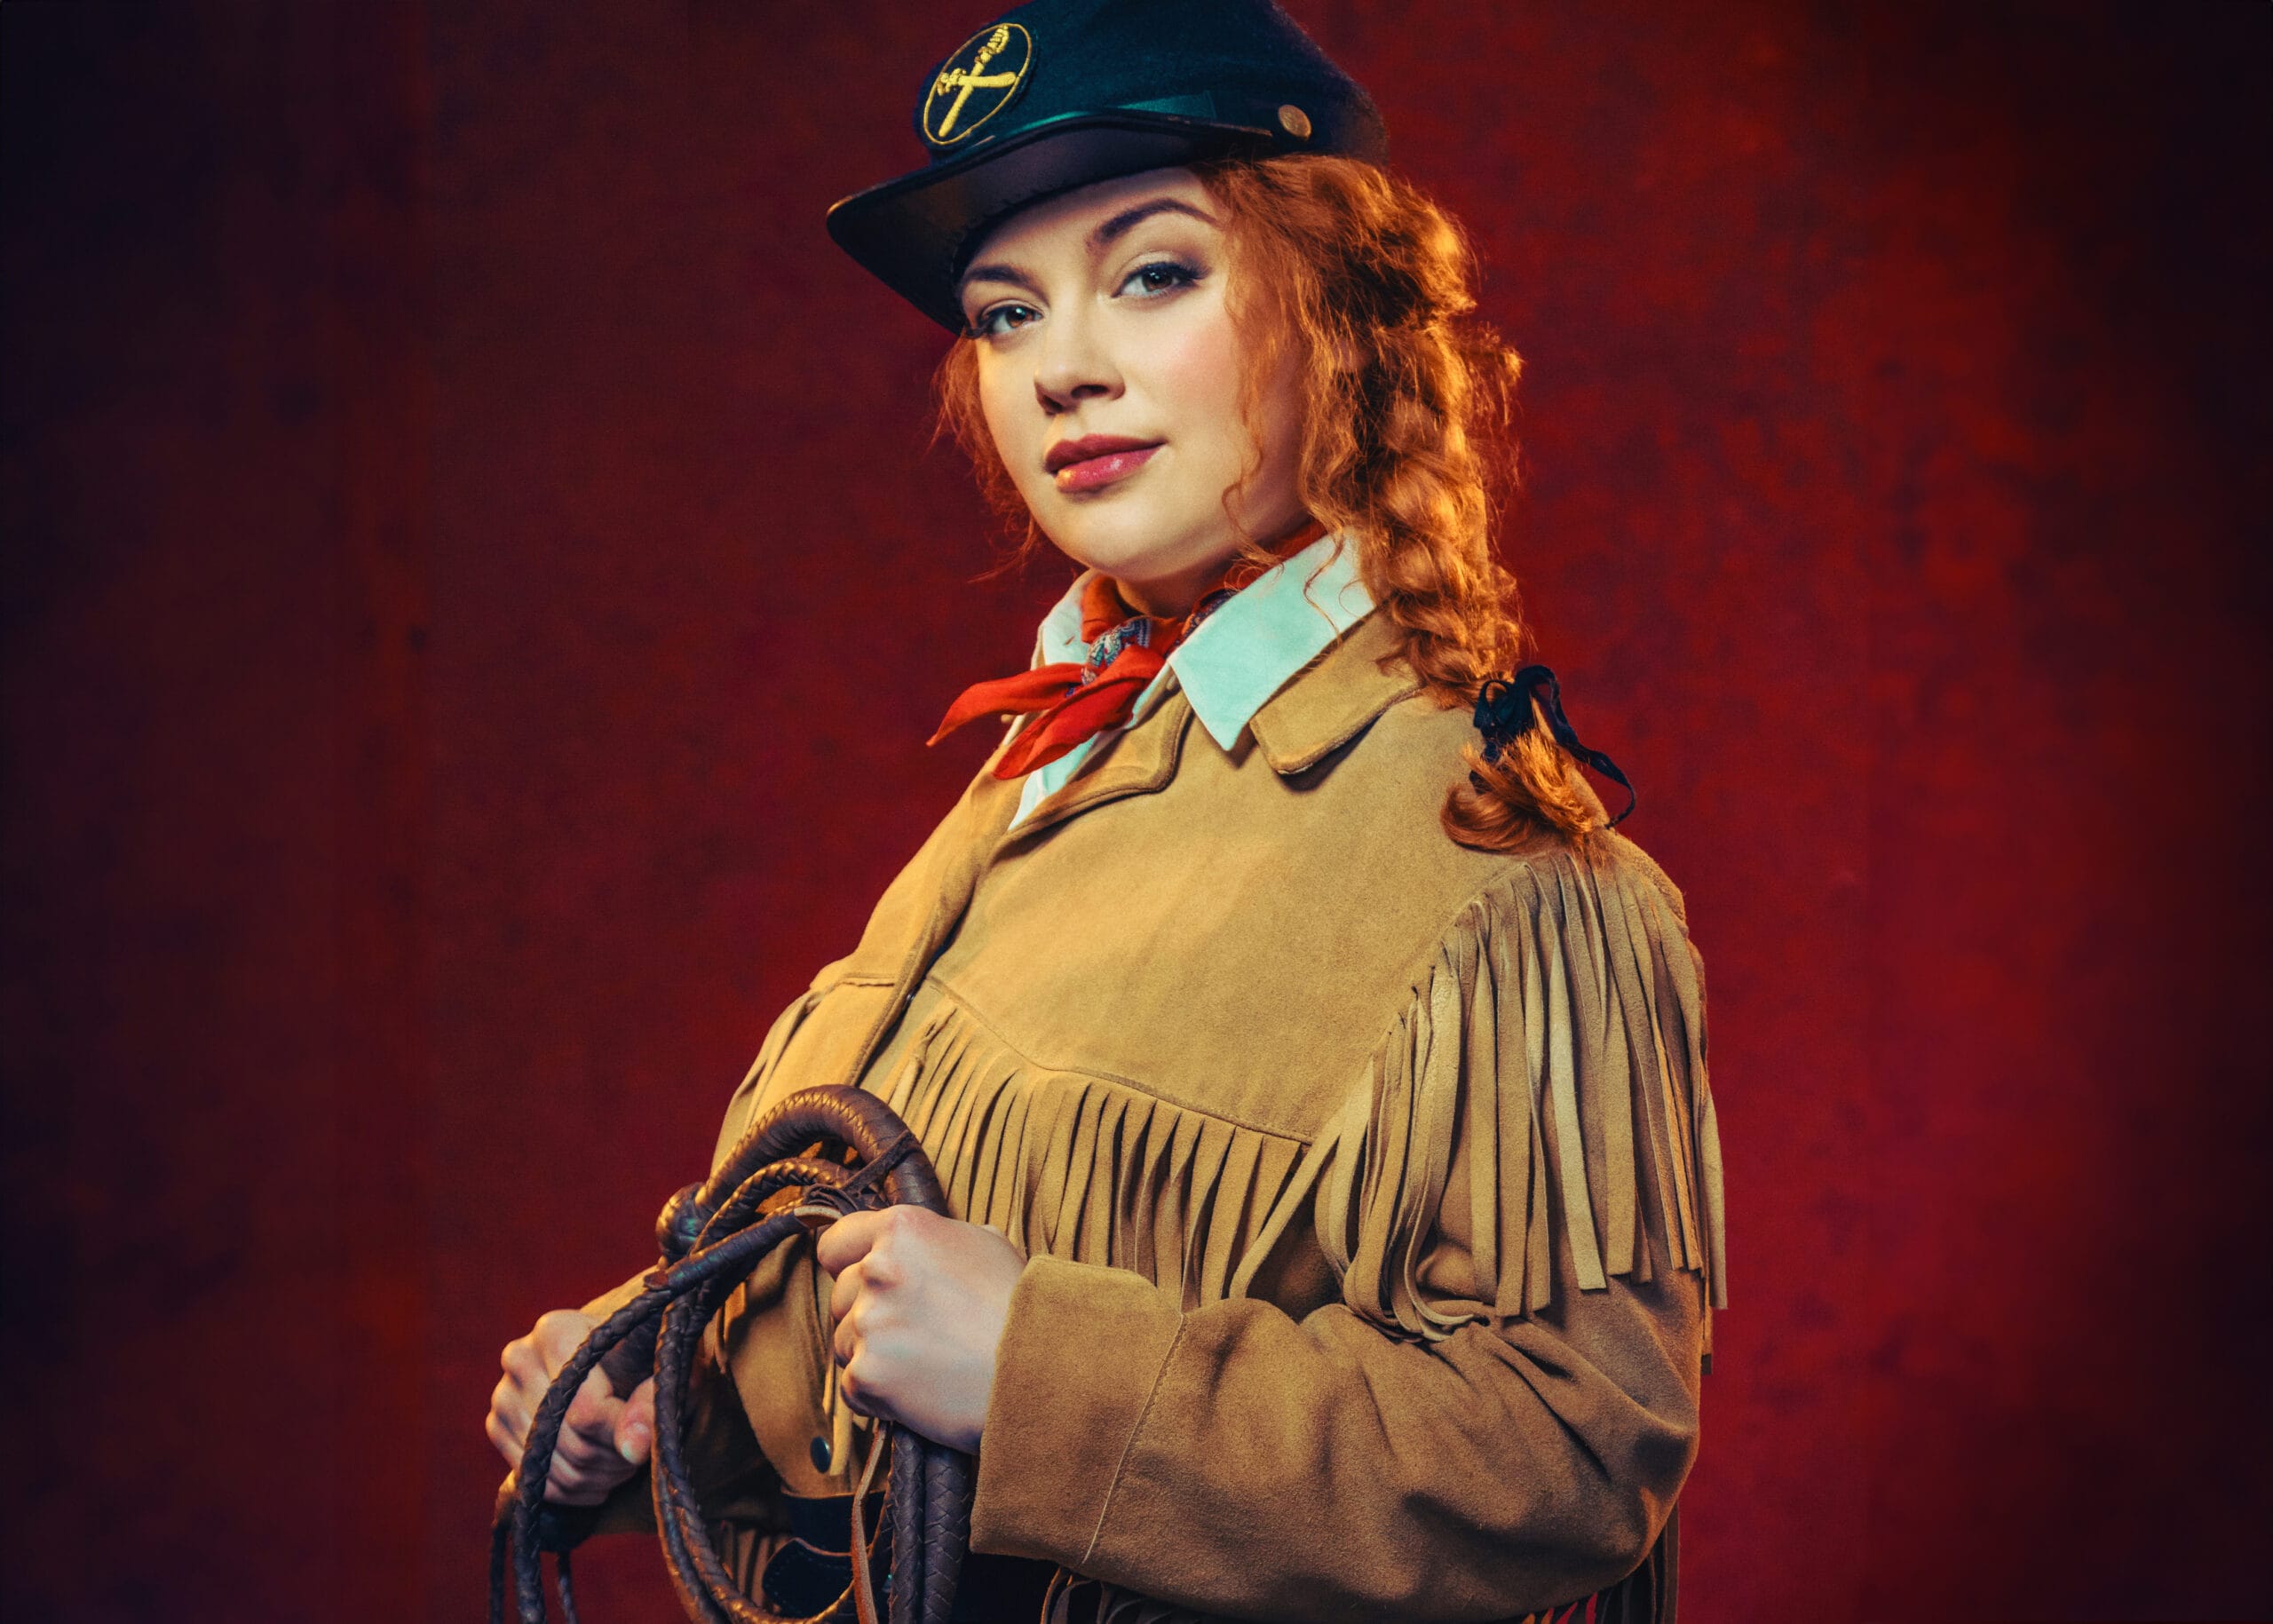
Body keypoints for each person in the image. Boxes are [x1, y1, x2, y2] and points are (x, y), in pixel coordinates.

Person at [485, 2, 1728, 1620]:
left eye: (1154, 273)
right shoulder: (1041, 772)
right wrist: (659, 1388)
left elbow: (1576, 1454)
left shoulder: (1509, 872)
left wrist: (1041, 1371)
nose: (1063, 365)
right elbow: (897, 1298)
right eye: (1008, 313)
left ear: (1341, 308)